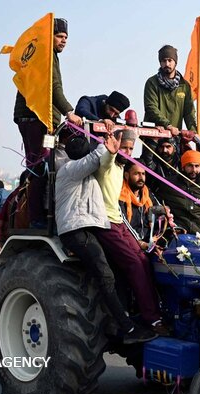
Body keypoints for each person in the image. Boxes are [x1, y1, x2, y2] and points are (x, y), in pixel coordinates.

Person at [55, 132, 157, 344]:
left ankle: (125, 318)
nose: (127, 153)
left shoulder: (90, 175)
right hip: (75, 230)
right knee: (105, 275)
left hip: (89, 226)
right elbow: (96, 161)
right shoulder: (69, 170)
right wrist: (107, 149)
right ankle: (126, 327)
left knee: (118, 270)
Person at [93, 129, 169, 336]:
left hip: (118, 223)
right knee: (135, 263)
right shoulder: (108, 165)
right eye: (123, 147)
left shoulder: (122, 169)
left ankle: (156, 313)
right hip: (106, 223)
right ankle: (151, 319)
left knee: (145, 261)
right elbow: (108, 161)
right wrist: (111, 152)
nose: (126, 152)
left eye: (129, 148)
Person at [13, 17, 83, 229]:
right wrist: (69, 112)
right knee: (40, 168)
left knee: (45, 165)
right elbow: (54, 88)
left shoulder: (48, 55)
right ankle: (35, 218)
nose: (63, 41)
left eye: (66, 38)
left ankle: (37, 211)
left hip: (44, 121)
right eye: (60, 36)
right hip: (35, 119)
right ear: (49, 36)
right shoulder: (45, 56)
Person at [156, 150, 200, 238]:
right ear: (183, 167)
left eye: (197, 166)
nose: (194, 170)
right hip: (175, 237)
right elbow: (156, 205)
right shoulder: (168, 185)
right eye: (190, 166)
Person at [144, 45, 197, 137]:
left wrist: (193, 132)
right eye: (164, 61)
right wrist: (167, 125)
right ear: (160, 63)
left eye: (170, 60)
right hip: (154, 135)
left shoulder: (184, 86)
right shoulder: (152, 83)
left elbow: (189, 112)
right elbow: (151, 108)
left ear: (175, 62)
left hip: (174, 136)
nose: (167, 64)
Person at [119, 159, 156, 250]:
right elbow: (123, 223)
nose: (141, 178)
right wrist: (138, 241)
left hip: (149, 241)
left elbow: (158, 209)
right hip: (130, 243)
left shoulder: (147, 193)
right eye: (136, 174)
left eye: (143, 174)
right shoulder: (121, 195)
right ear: (126, 175)